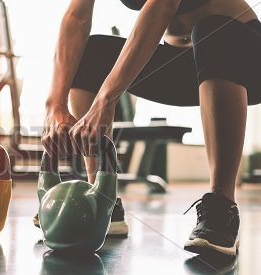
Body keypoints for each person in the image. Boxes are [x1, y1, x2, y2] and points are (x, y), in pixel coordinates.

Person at [39, 0, 261, 256]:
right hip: (180, 63)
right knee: (92, 52)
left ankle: (222, 208)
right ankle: (101, 202)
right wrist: (54, 104)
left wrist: (106, 99)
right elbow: (75, 18)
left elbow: (162, 6)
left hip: (242, 55)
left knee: (211, 29)